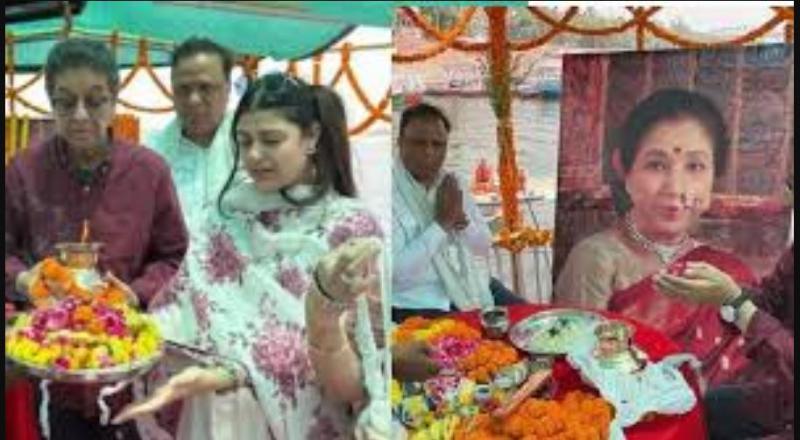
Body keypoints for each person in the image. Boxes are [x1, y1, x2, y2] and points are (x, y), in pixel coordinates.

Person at [112, 73, 389, 440]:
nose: (254, 155)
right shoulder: (225, 216)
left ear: (312, 137)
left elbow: (364, 372)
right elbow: (184, 306)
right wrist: (128, 327)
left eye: (271, 140)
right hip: (212, 415)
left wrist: (234, 371)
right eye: (244, 141)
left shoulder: (350, 229)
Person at [4, 39, 188, 440]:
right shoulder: (23, 171)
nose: (80, 116)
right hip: (52, 362)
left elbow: (174, 257)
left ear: (114, 99)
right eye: (65, 102)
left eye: (95, 101)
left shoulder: (149, 171)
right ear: (50, 101)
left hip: (130, 365)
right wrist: (24, 279)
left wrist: (135, 294)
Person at [553, 88, 756, 387]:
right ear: (623, 168)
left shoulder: (726, 271)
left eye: (695, 166)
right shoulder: (596, 259)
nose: (676, 187)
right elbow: (579, 372)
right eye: (657, 165)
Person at [655, 178, 794, 439]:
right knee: (703, 407)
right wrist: (716, 290)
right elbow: (770, 299)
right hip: (781, 396)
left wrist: (734, 301)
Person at [392, 103, 524, 323]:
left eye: (438, 144)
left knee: (533, 321)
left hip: (472, 286)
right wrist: (442, 224)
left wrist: (462, 221)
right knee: (477, 342)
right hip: (417, 302)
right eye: (418, 143)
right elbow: (396, 275)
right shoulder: (387, 193)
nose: (429, 152)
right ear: (400, 143)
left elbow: (482, 246)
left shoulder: (453, 184)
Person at [147, 37, 235, 238]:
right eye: (183, 89)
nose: (194, 100)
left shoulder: (252, 150)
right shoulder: (151, 155)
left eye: (205, 88)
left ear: (228, 87)